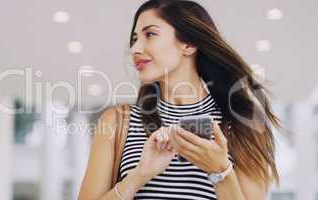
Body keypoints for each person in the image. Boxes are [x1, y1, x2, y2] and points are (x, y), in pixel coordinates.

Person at [79, 0, 280, 199]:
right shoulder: (117, 120)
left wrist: (220, 171)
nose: (135, 49)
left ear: (189, 44)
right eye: (134, 39)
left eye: (150, 34)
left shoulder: (242, 122)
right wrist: (139, 175)